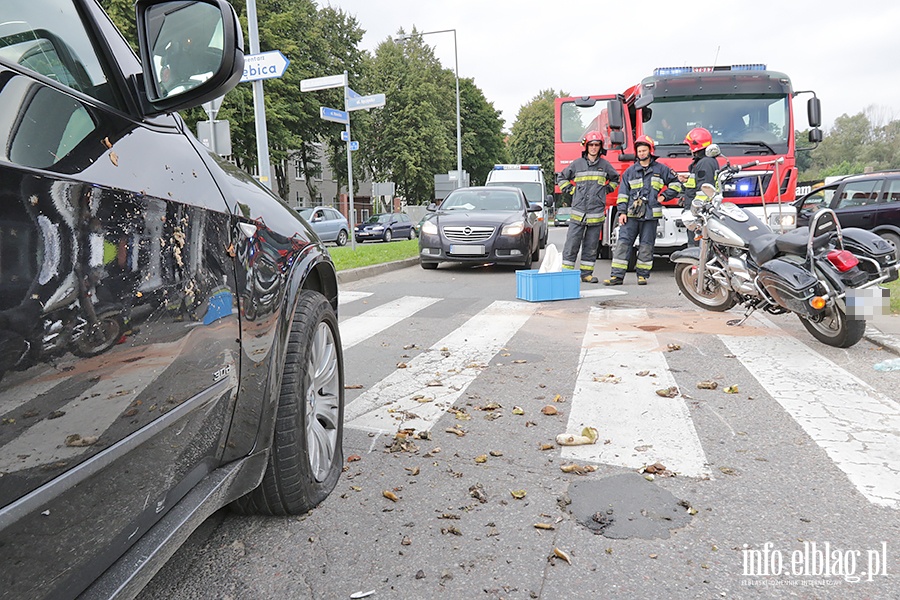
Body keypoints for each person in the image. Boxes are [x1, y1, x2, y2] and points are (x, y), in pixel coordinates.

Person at [604, 135, 681, 286]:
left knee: (647, 245)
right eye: (639, 151)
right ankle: (616, 276)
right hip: (631, 215)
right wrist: (622, 213)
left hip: (651, 215)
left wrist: (664, 196)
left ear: (650, 151)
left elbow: (676, 184)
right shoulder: (630, 172)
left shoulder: (661, 169)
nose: (641, 153)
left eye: (644, 150)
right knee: (623, 244)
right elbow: (623, 194)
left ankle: (642, 275)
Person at [556, 131, 619, 283]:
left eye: (596, 145)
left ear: (600, 147)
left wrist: (605, 190)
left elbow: (615, 179)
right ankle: (567, 273)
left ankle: (586, 274)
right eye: (591, 145)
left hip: (595, 214)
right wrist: (571, 191)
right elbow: (561, 177)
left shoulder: (605, 165)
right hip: (578, 213)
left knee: (591, 247)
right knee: (571, 245)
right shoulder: (577, 164)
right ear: (586, 146)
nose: (593, 148)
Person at [681, 127, 722, 247]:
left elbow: (704, 190)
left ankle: (696, 266)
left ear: (696, 145)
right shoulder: (704, 162)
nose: (689, 148)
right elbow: (698, 184)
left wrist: (695, 212)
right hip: (700, 213)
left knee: (697, 248)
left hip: (699, 215)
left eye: (690, 145)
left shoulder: (705, 163)